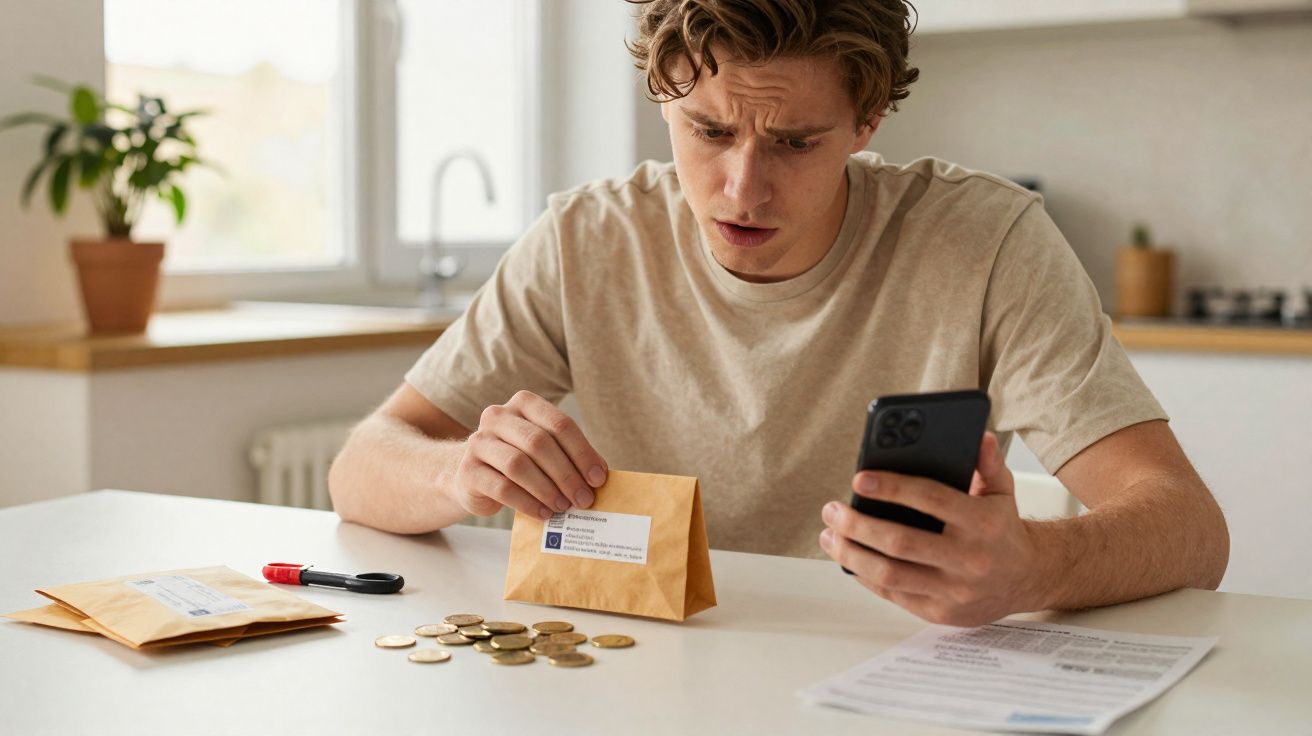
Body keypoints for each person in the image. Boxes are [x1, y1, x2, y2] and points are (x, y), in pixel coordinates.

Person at [329, 0, 1228, 627]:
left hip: (881, 670)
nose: (742, 190)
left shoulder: (988, 241)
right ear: (664, 100)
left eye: (795, 143)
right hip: (634, 670)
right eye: (709, 132)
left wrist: (1034, 565)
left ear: (868, 121)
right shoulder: (584, 238)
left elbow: (1189, 527)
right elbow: (361, 467)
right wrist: (462, 476)